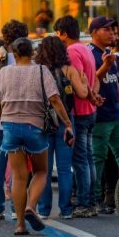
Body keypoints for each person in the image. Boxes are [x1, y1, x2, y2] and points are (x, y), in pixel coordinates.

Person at [0, 37, 74, 235]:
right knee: (41, 171)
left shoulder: (4, 72)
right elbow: (54, 99)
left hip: (9, 128)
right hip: (34, 128)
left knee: (18, 177)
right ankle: (31, 206)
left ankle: (19, 225)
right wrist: (68, 124)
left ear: (15, 54)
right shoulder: (41, 71)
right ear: (32, 53)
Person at [35, 35, 89, 219]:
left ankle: (43, 209)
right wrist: (84, 82)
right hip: (66, 122)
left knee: (44, 170)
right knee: (65, 169)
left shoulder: (38, 71)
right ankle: (66, 210)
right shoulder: (69, 70)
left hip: (42, 122)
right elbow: (82, 94)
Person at [55, 15, 101, 218]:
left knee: (81, 159)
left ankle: (85, 202)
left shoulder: (72, 51)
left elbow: (79, 81)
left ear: (64, 33)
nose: (58, 38)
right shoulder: (85, 48)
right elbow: (93, 80)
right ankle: (90, 200)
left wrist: (88, 95)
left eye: (58, 34)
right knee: (88, 157)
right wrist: (94, 97)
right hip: (90, 110)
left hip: (80, 110)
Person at [89, 16, 119, 215]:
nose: (111, 33)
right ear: (95, 32)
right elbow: (89, 83)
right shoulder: (90, 53)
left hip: (116, 116)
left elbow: (115, 84)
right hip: (99, 116)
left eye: (112, 30)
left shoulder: (110, 54)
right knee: (97, 158)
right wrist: (105, 66)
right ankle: (94, 199)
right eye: (107, 30)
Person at [0, 20, 30, 220]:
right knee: (17, 169)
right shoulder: (27, 60)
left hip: (0, 117)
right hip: (22, 117)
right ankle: (16, 208)